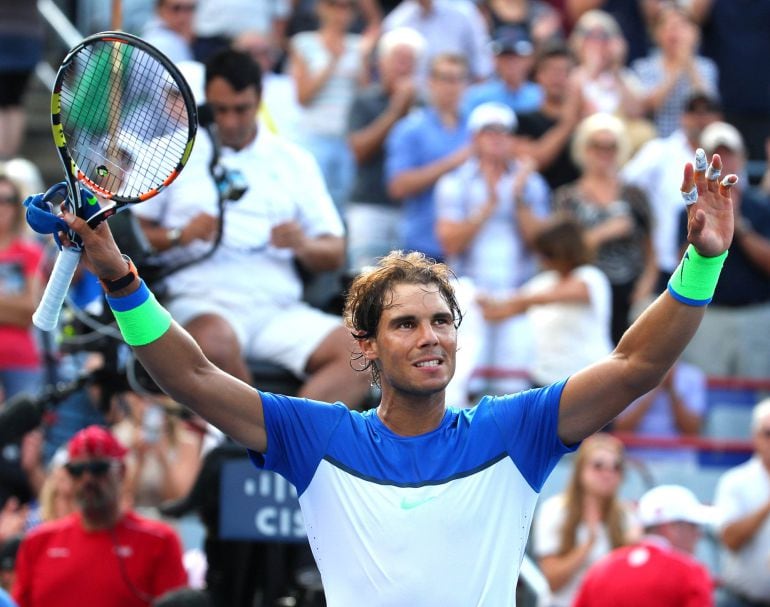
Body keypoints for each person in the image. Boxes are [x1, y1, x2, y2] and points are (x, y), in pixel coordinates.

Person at [52, 141, 736, 604]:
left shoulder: (515, 427)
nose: (429, 336)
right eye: (405, 323)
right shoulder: (316, 434)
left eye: (441, 320)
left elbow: (635, 363)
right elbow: (195, 376)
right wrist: (118, 275)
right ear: (366, 347)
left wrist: (702, 262)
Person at [132, 49, 372, 406]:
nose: (229, 121)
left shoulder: (293, 161)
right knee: (214, 341)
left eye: (241, 109)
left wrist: (302, 244)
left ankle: (289, 449)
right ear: (206, 102)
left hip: (277, 306)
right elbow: (129, 238)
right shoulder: (170, 153)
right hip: (200, 300)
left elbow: (334, 250)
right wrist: (178, 236)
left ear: (259, 100)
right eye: (220, 109)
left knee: (362, 357)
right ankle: (263, 440)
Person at [435, 102, 551, 394]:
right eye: (489, 131)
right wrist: (487, 206)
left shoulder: (531, 183)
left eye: (504, 131)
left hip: (517, 294)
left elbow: (543, 247)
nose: (498, 137)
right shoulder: (454, 182)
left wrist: (519, 198)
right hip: (468, 291)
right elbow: (449, 241)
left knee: (512, 388)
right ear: (475, 138)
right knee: (459, 385)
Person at [12, 425, 188, 606]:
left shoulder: (159, 541)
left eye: (98, 468)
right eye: (77, 470)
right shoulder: (38, 542)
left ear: (121, 471)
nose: (87, 479)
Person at [553, 112, 657, 344]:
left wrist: (645, 286)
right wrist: (605, 232)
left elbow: (651, 250)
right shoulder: (567, 199)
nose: (604, 152)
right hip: (585, 293)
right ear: (583, 148)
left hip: (630, 291)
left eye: (611, 146)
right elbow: (562, 254)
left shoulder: (635, 196)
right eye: (596, 145)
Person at [678, 121, 770, 379]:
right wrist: (701, 231)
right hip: (708, 317)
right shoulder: (689, 209)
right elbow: (681, 269)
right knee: (706, 399)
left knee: (758, 396)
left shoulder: (761, 207)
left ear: (742, 158)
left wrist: (739, 227)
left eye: (729, 154)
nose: (724, 162)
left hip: (755, 316)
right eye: (716, 155)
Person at [478, 215, 613, 388]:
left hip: (589, 378)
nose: (543, 260)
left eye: (548, 254)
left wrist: (504, 299)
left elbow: (555, 295)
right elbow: (496, 313)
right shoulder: (543, 282)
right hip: (545, 381)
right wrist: (477, 299)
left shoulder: (591, 277)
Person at [622, 91, 722, 293]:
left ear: (719, 117)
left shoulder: (727, 153)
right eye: (693, 111)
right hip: (662, 262)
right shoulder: (659, 150)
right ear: (682, 117)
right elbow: (623, 184)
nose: (700, 118)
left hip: (712, 260)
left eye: (707, 111)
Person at [345, 26, 425, 271]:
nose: (403, 68)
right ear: (381, 62)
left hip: (411, 211)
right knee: (365, 281)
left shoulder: (425, 106)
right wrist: (396, 111)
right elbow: (359, 151)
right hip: (370, 205)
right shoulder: (365, 100)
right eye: (398, 60)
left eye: (409, 61)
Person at [385, 53, 472, 262]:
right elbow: (398, 186)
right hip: (424, 245)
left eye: (458, 79)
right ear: (430, 82)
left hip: (472, 247)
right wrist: (453, 162)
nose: (452, 86)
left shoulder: (476, 127)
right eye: (445, 78)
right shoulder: (410, 128)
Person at [533, 433, 637, 607]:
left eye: (616, 467)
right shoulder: (555, 510)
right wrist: (589, 543)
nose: (608, 473)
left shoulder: (626, 516)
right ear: (580, 470)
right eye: (598, 466)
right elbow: (553, 581)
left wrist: (633, 547)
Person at [573, 484, 714, 607]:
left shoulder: (600, 570)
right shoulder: (690, 573)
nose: (698, 535)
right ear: (670, 527)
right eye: (693, 526)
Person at [712, 398, 770, 607]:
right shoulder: (734, 482)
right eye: (768, 433)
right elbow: (730, 540)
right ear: (754, 436)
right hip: (742, 601)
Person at [630, 3, 718, 138]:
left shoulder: (706, 66)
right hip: (658, 139)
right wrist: (677, 67)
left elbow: (708, 106)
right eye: (668, 26)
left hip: (695, 139)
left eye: (682, 25)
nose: (674, 31)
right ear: (655, 33)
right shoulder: (644, 67)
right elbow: (648, 108)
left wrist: (689, 63)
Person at [613, 360, 707, 464]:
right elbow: (622, 428)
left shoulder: (692, 376)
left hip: (679, 461)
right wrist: (655, 387)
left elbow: (692, 431)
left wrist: (671, 390)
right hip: (636, 460)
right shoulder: (629, 373)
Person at [382, 0, 494, 84]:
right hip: (413, 100)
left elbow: (482, 66)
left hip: (460, 94)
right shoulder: (397, 21)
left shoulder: (464, 13)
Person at [461, 29, 543, 118]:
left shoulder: (541, 95)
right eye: (504, 57)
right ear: (495, 60)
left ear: (529, 59)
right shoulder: (476, 96)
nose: (510, 63)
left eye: (516, 57)